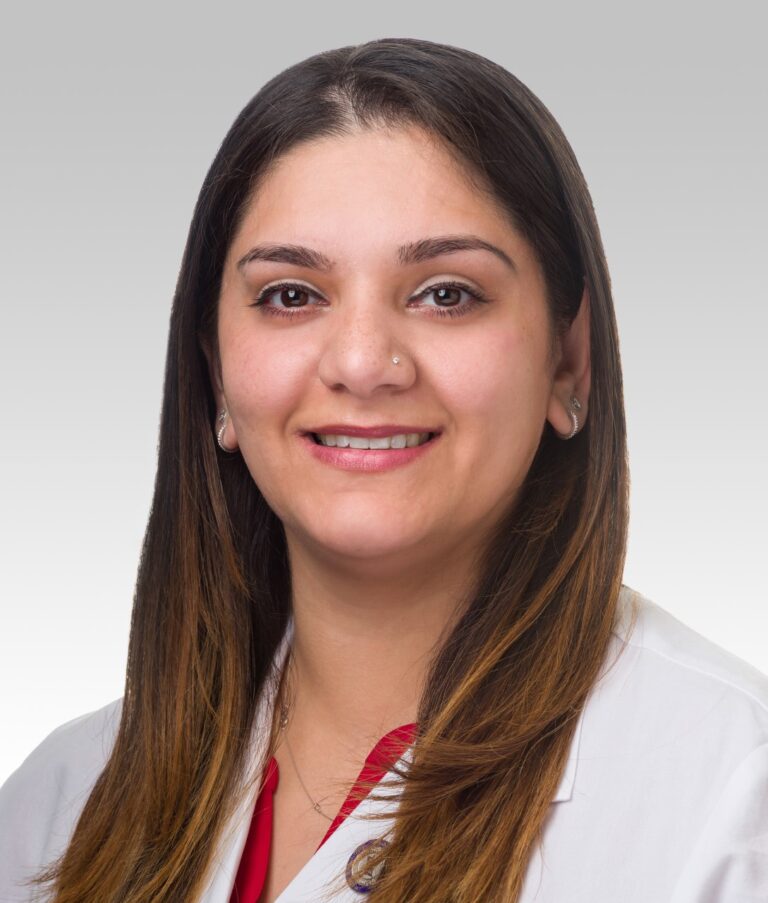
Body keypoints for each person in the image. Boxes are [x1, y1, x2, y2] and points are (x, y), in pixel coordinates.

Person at [1, 36, 766, 903]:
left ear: (569, 359)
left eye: (446, 293)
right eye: (291, 295)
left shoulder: (731, 803)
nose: (364, 363)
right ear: (216, 373)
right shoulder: (54, 808)